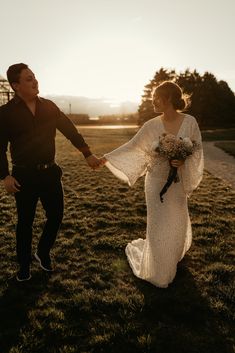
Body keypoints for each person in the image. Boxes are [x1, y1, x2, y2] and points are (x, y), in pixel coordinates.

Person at [0, 63, 101, 282]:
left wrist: (87, 154)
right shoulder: (5, 113)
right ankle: (24, 267)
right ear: (16, 85)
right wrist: (5, 176)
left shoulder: (49, 107)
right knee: (24, 223)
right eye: (29, 78)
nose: (35, 81)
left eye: (35, 76)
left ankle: (43, 252)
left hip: (50, 173)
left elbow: (70, 131)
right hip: (22, 177)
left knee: (56, 216)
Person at [101, 81, 204, 288]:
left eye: (156, 97)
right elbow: (133, 147)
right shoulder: (151, 125)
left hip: (176, 183)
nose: (152, 100)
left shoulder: (190, 121)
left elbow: (197, 149)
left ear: (167, 99)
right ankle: (160, 269)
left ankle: (172, 255)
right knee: (158, 224)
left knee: (177, 219)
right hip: (156, 182)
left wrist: (183, 160)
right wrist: (107, 159)